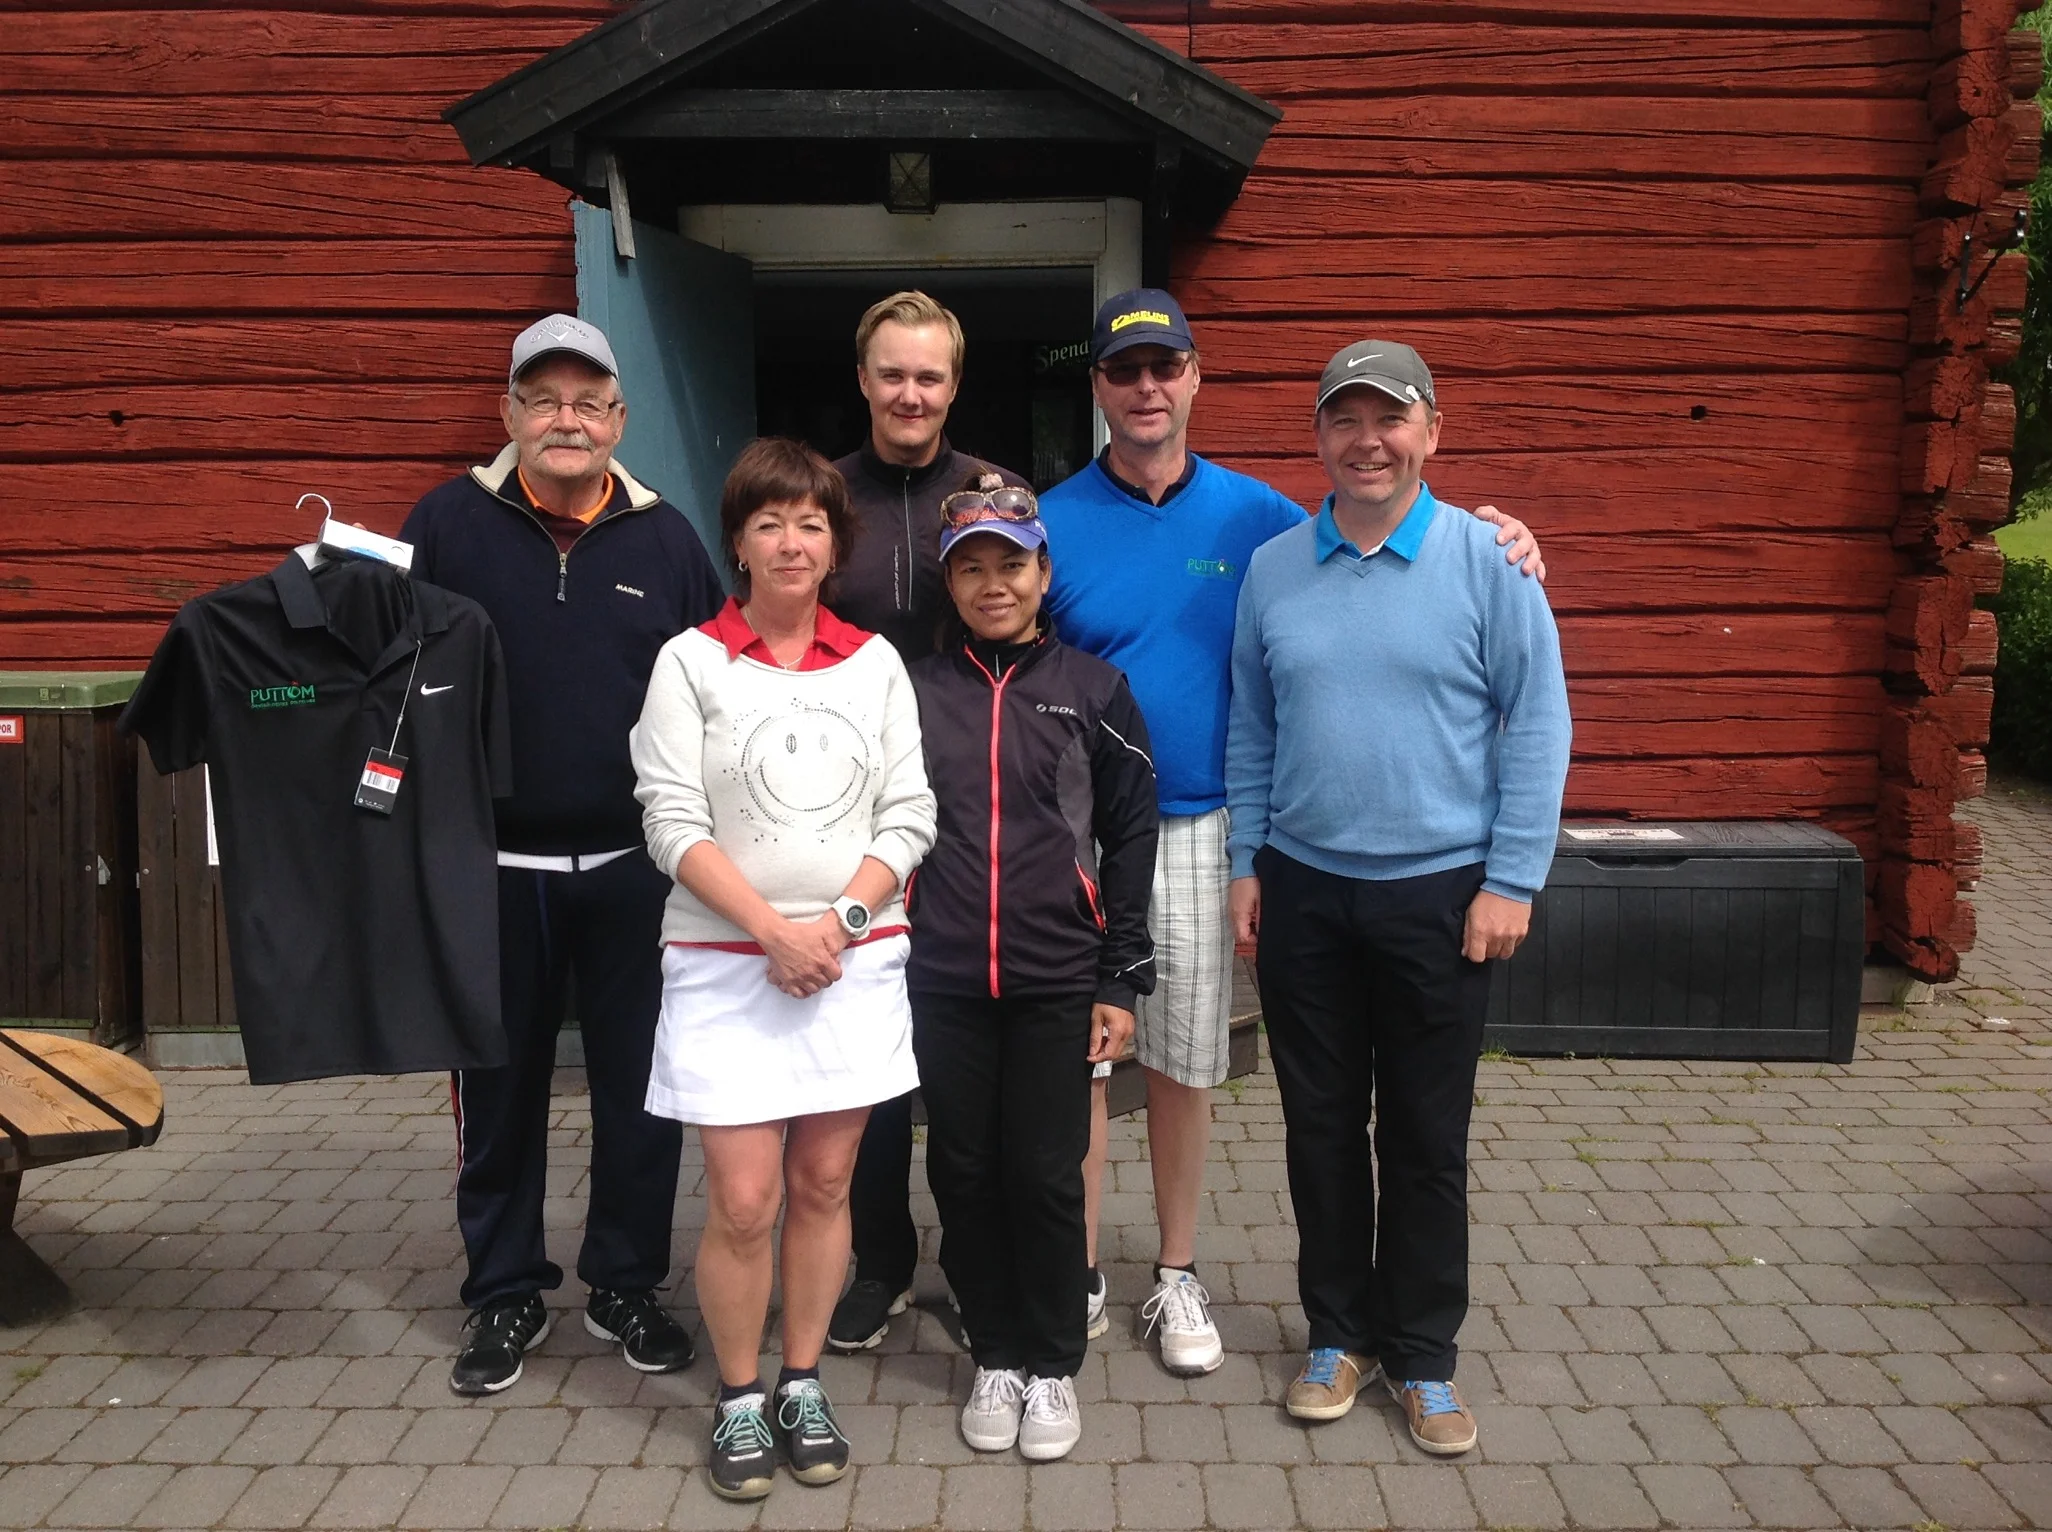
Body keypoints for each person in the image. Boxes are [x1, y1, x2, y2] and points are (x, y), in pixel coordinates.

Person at [1038, 291, 1546, 1376]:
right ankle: (1080, 1272)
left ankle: (1190, 1278)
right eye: (1123, 371)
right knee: (1091, 1070)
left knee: (1191, 1066)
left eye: (1163, 366)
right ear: (1099, 387)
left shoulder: (1260, 522)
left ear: (1195, 377)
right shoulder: (1057, 519)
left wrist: (1507, 536)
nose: (1145, 387)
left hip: (1239, 839)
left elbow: (1523, 705)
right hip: (1098, 840)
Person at [1225, 341, 1571, 1453]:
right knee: (1320, 1126)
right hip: (1306, 892)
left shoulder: (1488, 562)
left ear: (1432, 430)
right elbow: (1250, 727)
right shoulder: (1278, 567)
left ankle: (1423, 1355)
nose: (1367, 441)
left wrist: (1512, 876)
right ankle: (1340, 1333)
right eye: (1345, 420)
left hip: (1440, 896)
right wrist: (1245, 860)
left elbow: (1542, 725)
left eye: (1390, 419)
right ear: (1319, 436)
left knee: (1425, 1133)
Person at [401, 314, 723, 1397]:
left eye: (589, 400)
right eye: (545, 399)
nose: (568, 418)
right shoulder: (445, 527)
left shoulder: (668, 540)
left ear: (620, 418)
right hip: (493, 869)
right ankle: (503, 1290)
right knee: (498, 1092)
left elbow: (715, 699)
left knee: (643, 1090)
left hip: (640, 871)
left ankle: (627, 1280)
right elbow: (387, 682)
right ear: (510, 414)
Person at [629, 437, 938, 1500]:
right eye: (770, 521)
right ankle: (738, 1391)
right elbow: (670, 818)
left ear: (836, 544)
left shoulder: (875, 663)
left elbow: (910, 814)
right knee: (747, 1196)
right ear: (739, 541)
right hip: (728, 959)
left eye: (811, 522)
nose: (791, 540)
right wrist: (771, 927)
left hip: (850, 960)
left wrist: (839, 922)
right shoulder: (690, 660)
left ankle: (802, 1379)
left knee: (825, 1179)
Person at [904, 473, 1159, 1460]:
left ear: (1043, 570)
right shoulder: (916, 691)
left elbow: (1131, 836)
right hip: (945, 975)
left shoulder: (1095, 690)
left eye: (1011, 561)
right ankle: (997, 1349)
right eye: (972, 565)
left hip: (1060, 978)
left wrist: (1119, 977)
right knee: (964, 1168)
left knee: (1047, 1172)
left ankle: (1053, 1361)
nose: (993, 581)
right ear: (949, 579)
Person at [824, 291, 1038, 1354]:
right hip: (846, 818)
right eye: (892, 373)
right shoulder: (824, 497)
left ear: (954, 385)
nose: (911, 393)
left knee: (959, 1054)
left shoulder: (993, 494)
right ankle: (877, 1257)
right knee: (861, 1050)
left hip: (971, 814)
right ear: (863, 379)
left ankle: (972, 1254)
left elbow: (1044, 638)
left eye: (931, 376)